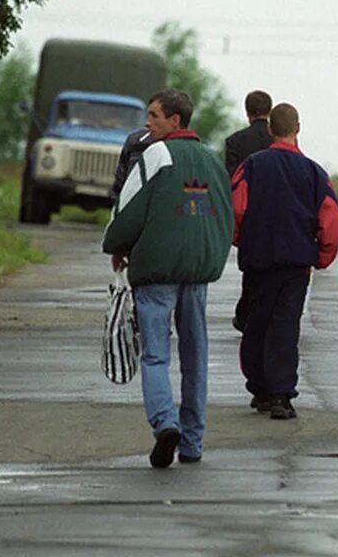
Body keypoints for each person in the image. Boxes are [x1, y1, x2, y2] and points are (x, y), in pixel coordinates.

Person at [103, 88, 234, 467]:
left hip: (157, 270)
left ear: (174, 121)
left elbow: (128, 208)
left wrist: (116, 244)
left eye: (154, 115)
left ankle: (165, 424)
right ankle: (192, 443)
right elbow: (225, 214)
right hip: (198, 272)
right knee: (196, 355)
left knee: (156, 354)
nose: (148, 122)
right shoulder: (212, 160)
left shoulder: (154, 155)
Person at [230, 103, 338, 420]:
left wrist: (241, 239)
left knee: (257, 323)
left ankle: (260, 388)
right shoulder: (314, 172)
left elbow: (236, 208)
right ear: (298, 128)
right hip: (296, 262)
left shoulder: (251, 166)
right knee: (285, 325)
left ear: (270, 130)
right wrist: (322, 256)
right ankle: (281, 395)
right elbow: (330, 219)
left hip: (258, 258)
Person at [223, 91, 275, 337]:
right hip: (276, 214)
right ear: (270, 110)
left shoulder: (235, 142)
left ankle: (246, 314)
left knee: (252, 271)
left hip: (249, 215)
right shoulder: (280, 139)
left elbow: (231, 182)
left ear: (247, 112)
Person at [224, 90, 273, 177]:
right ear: (270, 112)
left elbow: (230, 178)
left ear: (247, 112)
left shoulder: (234, 141)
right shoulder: (278, 138)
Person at [110, 127, 153, 205]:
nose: (148, 123)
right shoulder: (136, 140)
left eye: (154, 116)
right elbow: (119, 184)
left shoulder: (176, 148)